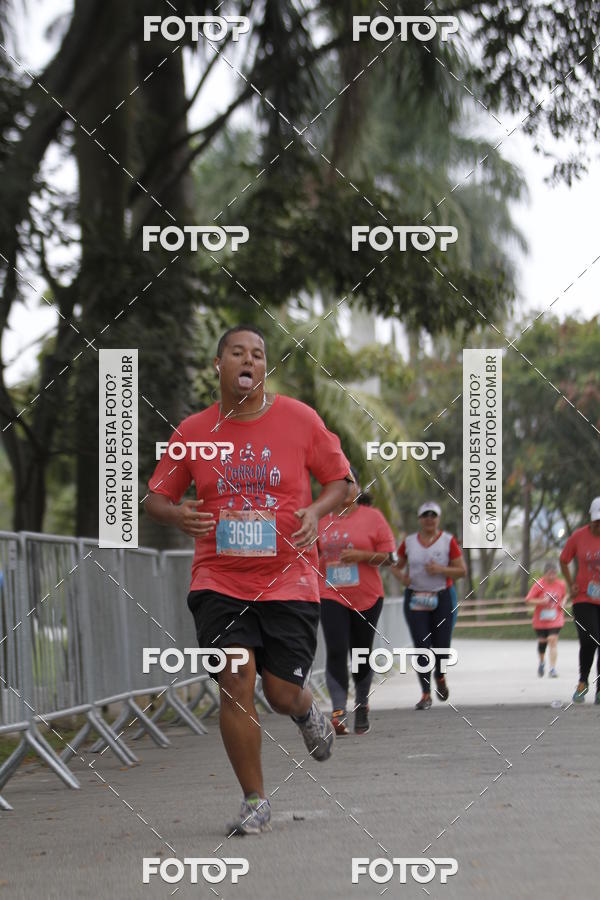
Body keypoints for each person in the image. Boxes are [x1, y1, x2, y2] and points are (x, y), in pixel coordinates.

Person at [146, 325, 352, 834]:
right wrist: (179, 516)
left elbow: (344, 484)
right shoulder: (193, 432)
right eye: (237, 352)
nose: (249, 360)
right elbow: (155, 498)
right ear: (218, 365)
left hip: (289, 577)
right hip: (219, 578)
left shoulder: (299, 419)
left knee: (280, 693)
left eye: (258, 354)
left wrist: (314, 511)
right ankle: (255, 799)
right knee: (236, 679)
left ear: (264, 369)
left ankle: (306, 710)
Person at [317, 467, 396, 736]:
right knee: (336, 649)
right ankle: (339, 711)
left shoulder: (373, 518)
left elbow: (390, 558)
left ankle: (362, 704)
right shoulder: (320, 519)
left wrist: (362, 555)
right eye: (340, 483)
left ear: (358, 488)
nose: (346, 488)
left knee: (360, 653)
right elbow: (309, 554)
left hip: (367, 595)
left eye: (350, 483)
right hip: (330, 593)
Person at [392, 501, 466, 709]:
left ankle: (440, 676)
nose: (429, 519)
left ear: (438, 519)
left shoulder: (447, 541)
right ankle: (425, 694)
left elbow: (462, 571)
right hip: (416, 598)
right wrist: (402, 578)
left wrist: (441, 569)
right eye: (425, 515)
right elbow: (395, 567)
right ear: (419, 519)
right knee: (421, 646)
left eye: (433, 515)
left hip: (441, 597)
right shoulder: (408, 543)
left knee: (441, 646)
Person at [559, 496, 600, 704]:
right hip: (583, 597)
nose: (598, 524)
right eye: (596, 520)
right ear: (590, 518)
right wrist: (570, 583)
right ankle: (583, 681)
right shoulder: (578, 537)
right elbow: (564, 559)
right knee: (590, 638)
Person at [525, 562, 567, 678]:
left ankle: (552, 668)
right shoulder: (539, 584)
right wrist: (541, 602)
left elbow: (564, 595)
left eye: (554, 574)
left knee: (552, 640)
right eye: (550, 574)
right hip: (541, 620)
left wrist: (563, 602)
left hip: (556, 618)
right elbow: (528, 600)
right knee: (542, 643)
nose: (552, 577)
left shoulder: (561, 584)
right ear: (545, 574)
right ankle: (542, 662)